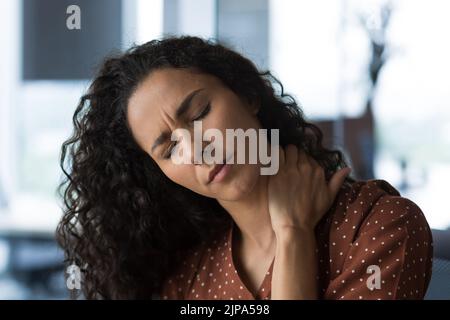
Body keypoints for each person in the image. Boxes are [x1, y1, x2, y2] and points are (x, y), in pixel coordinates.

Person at [57, 36, 433, 300]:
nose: (197, 150)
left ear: (248, 94)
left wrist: (292, 232)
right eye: (170, 149)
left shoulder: (378, 226)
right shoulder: (190, 276)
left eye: (201, 113)